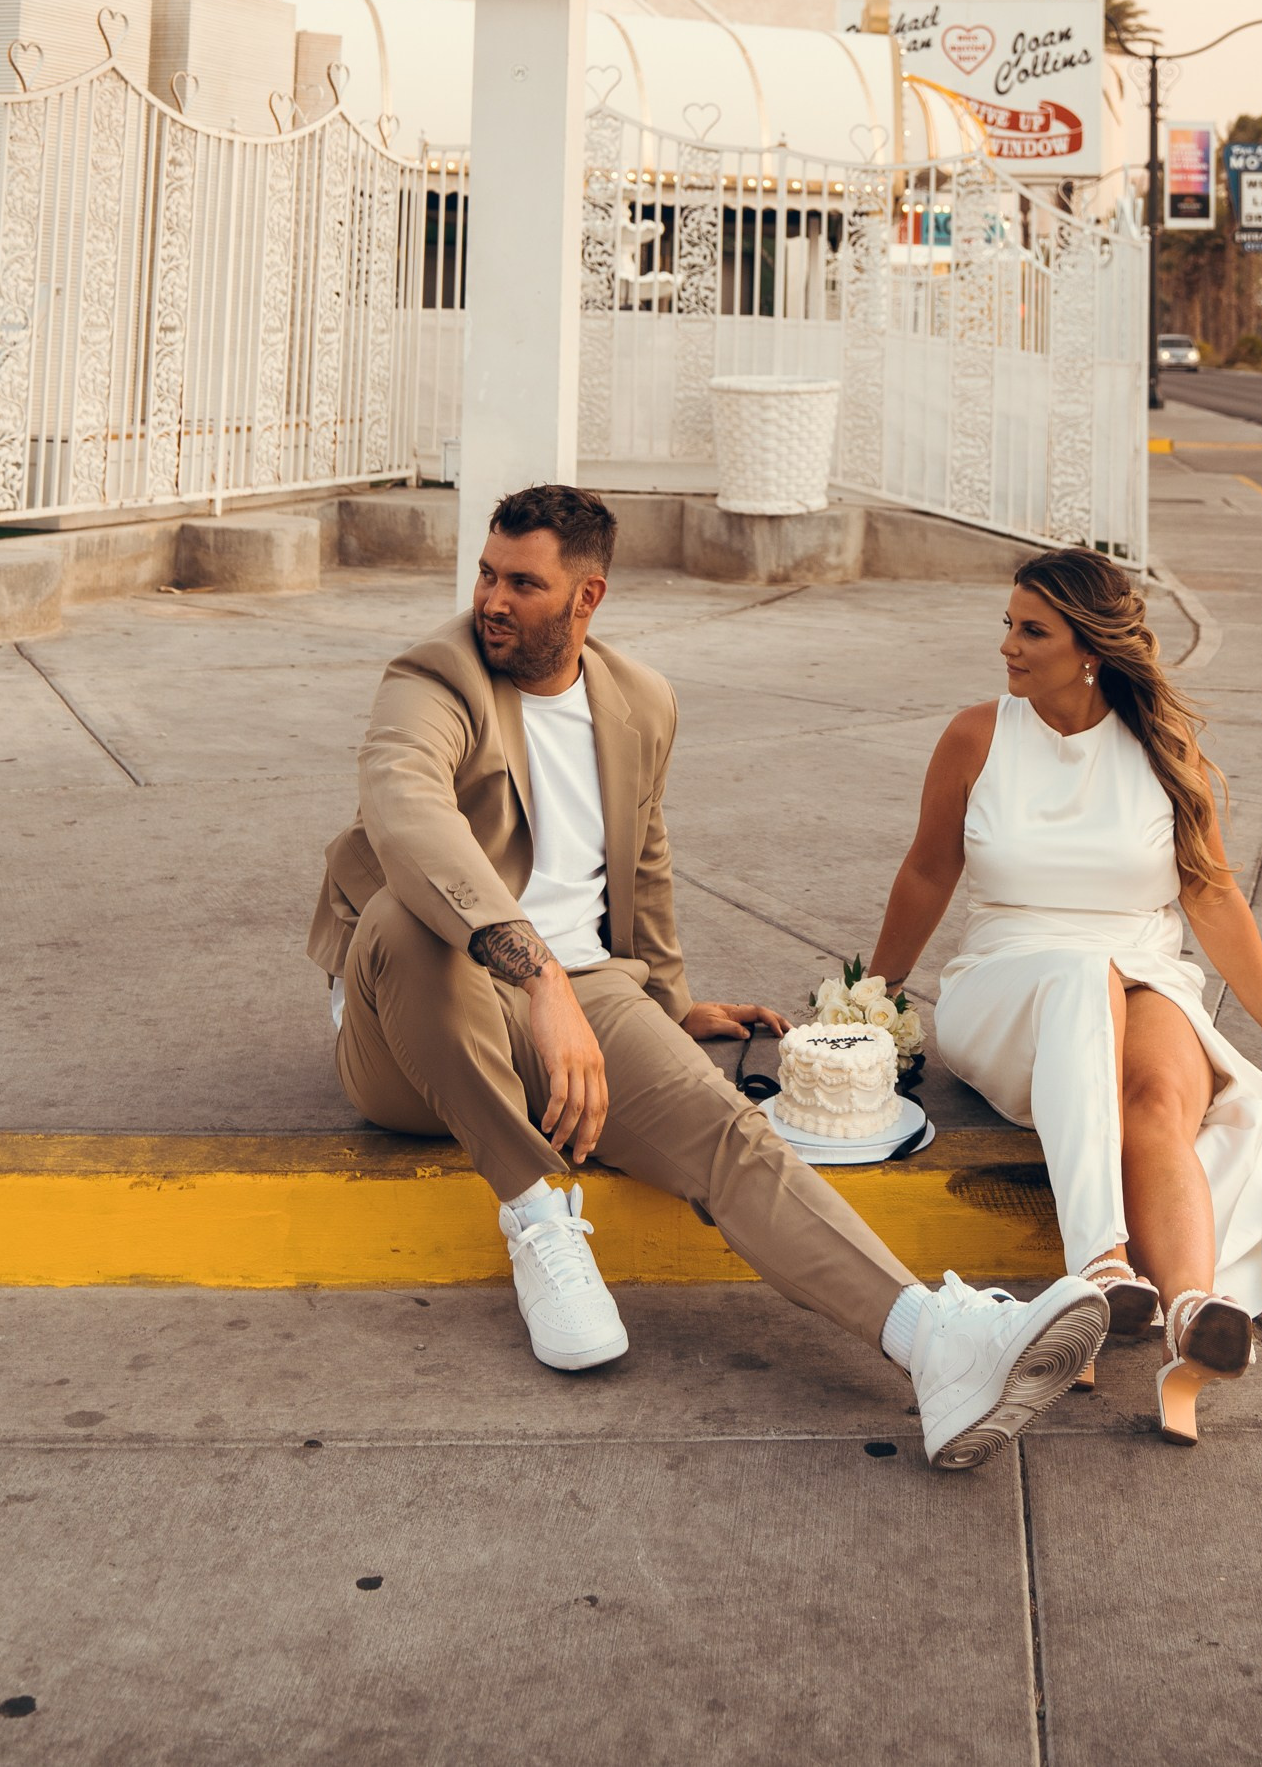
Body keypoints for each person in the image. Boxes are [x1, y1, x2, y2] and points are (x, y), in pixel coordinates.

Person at [310, 482, 1107, 1469]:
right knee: (404, 915)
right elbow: (406, 812)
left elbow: (639, 857)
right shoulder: (434, 677)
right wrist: (540, 978)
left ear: (586, 598)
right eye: (486, 574)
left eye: (523, 582)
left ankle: (930, 1344)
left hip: (585, 992)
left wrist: (672, 1003)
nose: (492, 599)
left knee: (729, 1133)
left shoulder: (638, 701)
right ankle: (537, 1211)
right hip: (416, 1036)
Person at [866, 549, 1262, 1440]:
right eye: (1008, 624)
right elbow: (927, 870)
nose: (1007, 646)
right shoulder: (977, 736)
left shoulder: (1163, 751)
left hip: (1146, 972)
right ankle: (1101, 1269)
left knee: (1155, 1102)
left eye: (1032, 630)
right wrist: (872, 999)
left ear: (1091, 652)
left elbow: (1211, 893)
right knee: (1079, 972)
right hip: (1006, 984)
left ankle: (1190, 1311)